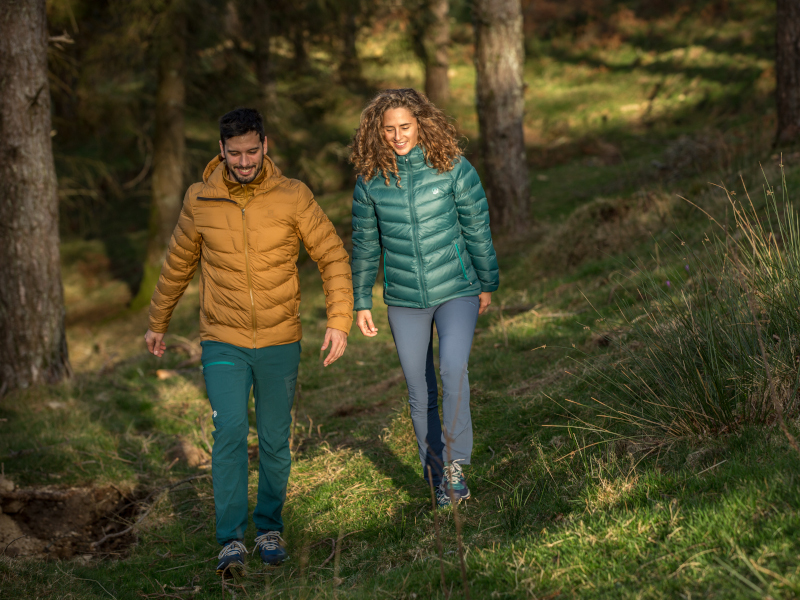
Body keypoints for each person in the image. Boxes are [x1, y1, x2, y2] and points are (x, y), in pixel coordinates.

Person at [144, 108, 353, 575]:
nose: (243, 161)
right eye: (234, 153)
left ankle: (270, 528)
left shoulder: (293, 195)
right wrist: (158, 320)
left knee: (277, 440)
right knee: (231, 433)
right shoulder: (200, 199)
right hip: (223, 340)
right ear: (221, 151)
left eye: (251, 151)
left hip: (280, 340)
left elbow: (333, 254)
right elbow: (177, 264)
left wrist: (338, 319)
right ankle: (231, 541)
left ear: (265, 145)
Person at [349, 89, 499, 507]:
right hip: (403, 299)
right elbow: (364, 245)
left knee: (452, 369)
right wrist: (361, 300)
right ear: (377, 132)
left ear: (422, 124)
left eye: (405, 127)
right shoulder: (370, 181)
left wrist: (487, 282)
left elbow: (477, 227)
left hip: (457, 289)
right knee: (420, 390)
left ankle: (454, 467)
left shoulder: (453, 168)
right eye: (389, 129)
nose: (398, 136)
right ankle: (439, 474)